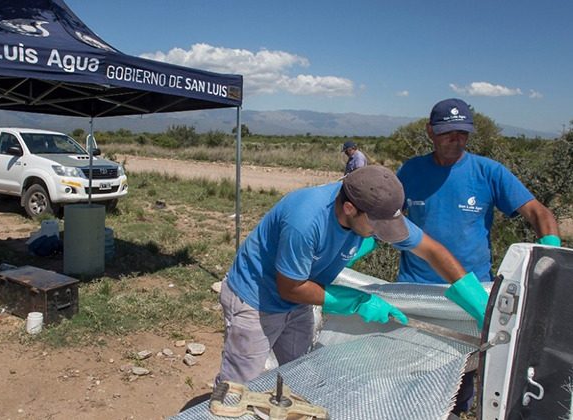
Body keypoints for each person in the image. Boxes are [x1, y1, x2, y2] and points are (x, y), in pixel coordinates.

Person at [215, 165, 489, 386]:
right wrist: (356, 302)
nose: (382, 232)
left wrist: (473, 296)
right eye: (376, 226)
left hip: (299, 299)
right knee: (239, 389)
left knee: (296, 375)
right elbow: (290, 288)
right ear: (349, 208)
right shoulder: (306, 220)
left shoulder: (375, 209)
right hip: (257, 299)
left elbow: (432, 250)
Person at [395, 98, 561, 414]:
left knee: (459, 384)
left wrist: (551, 261)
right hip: (416, 293)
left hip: (470, 298)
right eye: (447, 133)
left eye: (462, 133)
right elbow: (385, 220)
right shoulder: (411, 171)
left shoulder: (488, 172)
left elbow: (538, 212)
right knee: (410, 377)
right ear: (430, 131)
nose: (455, 140)